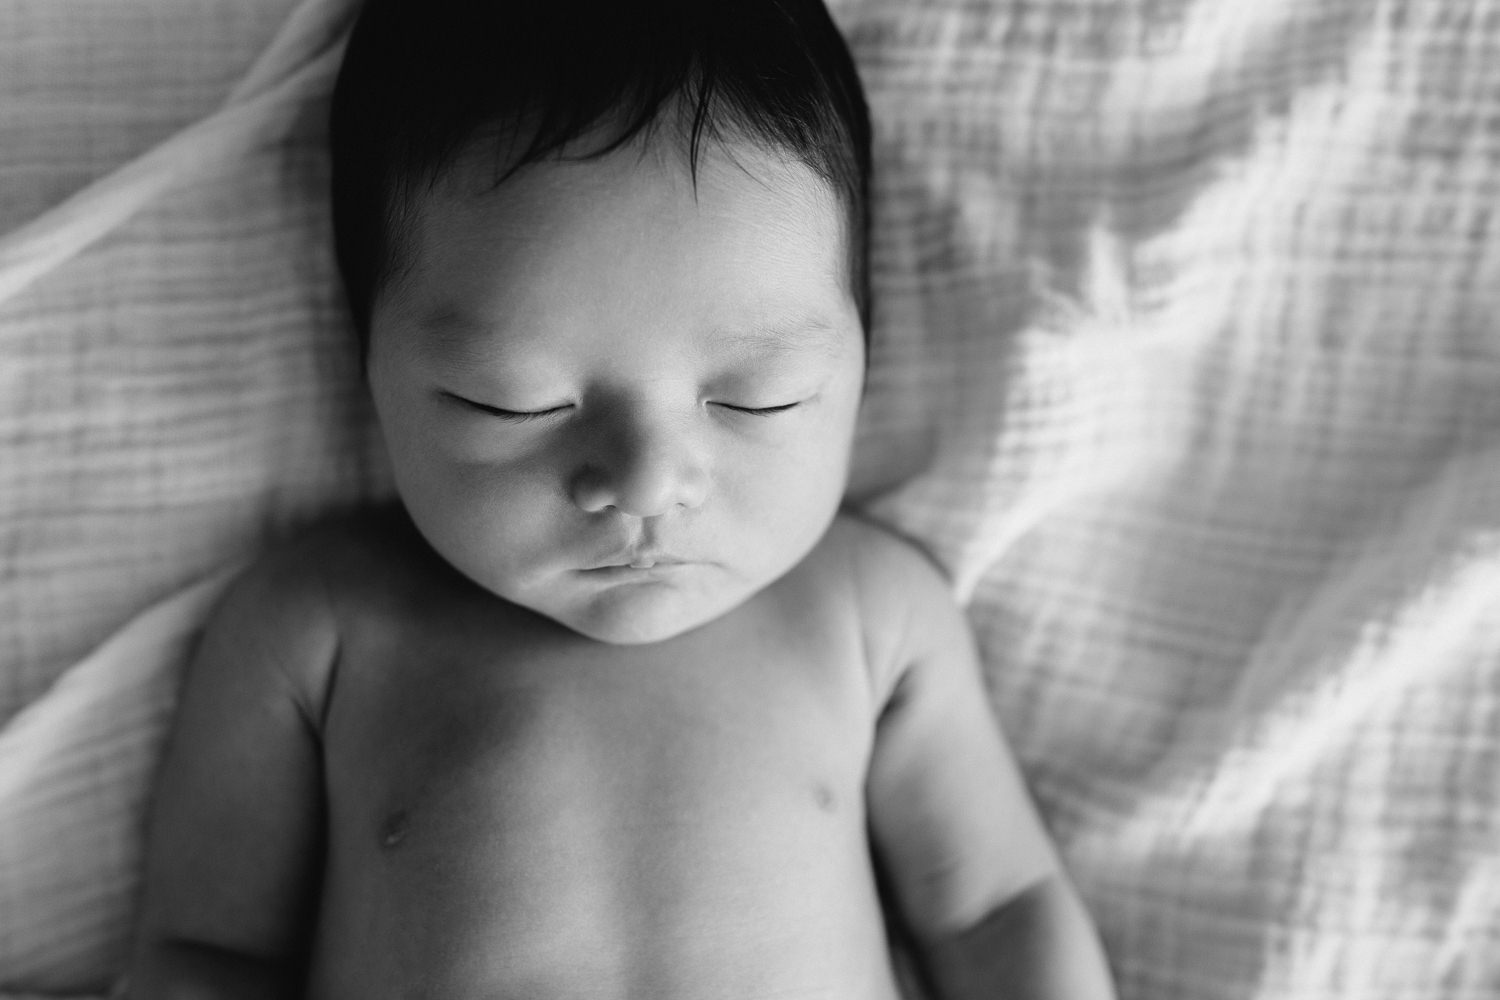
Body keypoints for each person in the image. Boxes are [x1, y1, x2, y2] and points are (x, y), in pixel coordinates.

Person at [127, 1, 1118, 997]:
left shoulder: (873, 618)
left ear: (863, 353)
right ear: (369, 361)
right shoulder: (318, 628)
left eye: (755, 395)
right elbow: (208, 951)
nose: (646, 483)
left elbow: (995, 909)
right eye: (510, 400)